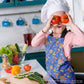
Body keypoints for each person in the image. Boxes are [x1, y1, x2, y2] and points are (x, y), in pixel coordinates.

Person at [31, 0, 84, 84]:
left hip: (67, 79)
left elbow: (82, 41)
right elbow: (34, 43)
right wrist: (46, 28)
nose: (59, 22)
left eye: (62, 18)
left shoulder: (69, 36)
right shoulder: (46, 36)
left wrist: (71, 24)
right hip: (51, 78)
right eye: (55, 18)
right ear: (50, 20)